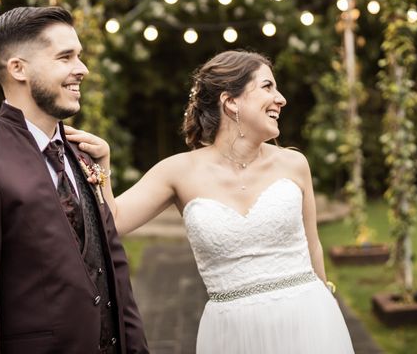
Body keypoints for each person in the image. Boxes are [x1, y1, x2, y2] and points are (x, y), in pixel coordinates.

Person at [67, 50, 354, 353]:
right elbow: (115, 221)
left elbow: (314, 247)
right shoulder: (177, 171)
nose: (281, 99)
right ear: (231, 102)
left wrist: (327, 310)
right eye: (268, 87)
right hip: (231, 333)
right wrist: (104, 168)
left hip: (309, 322)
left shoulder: (294, 164)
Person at [0, 6, 148, 354]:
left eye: (79, 56)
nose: (82, 69)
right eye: (66, 57)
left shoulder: (83, 153)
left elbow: (116, 276)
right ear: (18, 68)